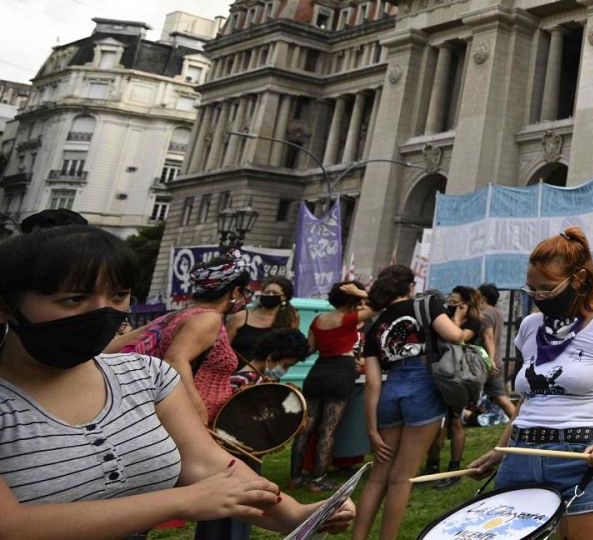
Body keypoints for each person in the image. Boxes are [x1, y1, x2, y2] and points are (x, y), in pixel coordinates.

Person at [0, 225, 353, 539]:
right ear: (8, 305)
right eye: (74, 299)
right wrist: (181, 501)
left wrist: (297, 514)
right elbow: (11, 525)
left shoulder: (144, 375)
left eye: (118, 296)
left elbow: (207, 463)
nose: (102, 312)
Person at [467, 228, 593, 540]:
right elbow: (531, 398)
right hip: (520, 456)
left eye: (547, 289)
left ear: (579, 279)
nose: (538, 298)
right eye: (532, 290)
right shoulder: (529, 327)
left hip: (582, 457)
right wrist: (502, 449)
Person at [350, 264, 469, 540]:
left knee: (378, 476)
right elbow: (454, 336)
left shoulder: (375, 325)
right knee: (402, 478)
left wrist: (371, 429)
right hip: (423, 388)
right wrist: (460, 322)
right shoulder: (427, 305)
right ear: (409, 287)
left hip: (391, 391)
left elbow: (372, 383)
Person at [201, 327, 312, 540]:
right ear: (272, 357)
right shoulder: (243, 380)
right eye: (286, 365)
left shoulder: (266, 382)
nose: (284, 371)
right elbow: (227, 422)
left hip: (249, 456)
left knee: (244, 511)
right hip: (232, 459)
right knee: (229, 513)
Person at [120, 250, 255, 423]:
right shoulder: (208, 318)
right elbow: (176, 360)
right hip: (186, 422)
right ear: (235, 292)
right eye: (244, 292)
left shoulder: (178, 315)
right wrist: (198, 412)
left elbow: (116, 346)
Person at [289, 279, 368, 492]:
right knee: (328, 429)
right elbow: (377, 307)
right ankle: (318, 479)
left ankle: (296, 477)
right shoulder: (349, 319)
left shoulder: (318, 320)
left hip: (318, 371)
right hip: (341, 372)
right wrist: (360, 292)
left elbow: (310, 348)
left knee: (306, 428)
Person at [424, 285, 487, 489]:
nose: (450, 305)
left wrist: (457, 319)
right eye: (449, 301)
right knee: (437, 423)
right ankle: (432, 465)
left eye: (455, 302)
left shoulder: (473, 322)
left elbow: (457, 338)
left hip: (458, 377)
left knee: (455, 421)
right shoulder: (443, 317)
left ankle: (455, 469)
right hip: (441, 374)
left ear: (465, 304)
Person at [227, 275, 298, 364]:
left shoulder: (291, 317)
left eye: (275, 293)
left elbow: (292, 349)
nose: (270, 295)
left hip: (267, 375)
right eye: (267, 292)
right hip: (238, 374)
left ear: (284, 297)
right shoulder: (240, 317)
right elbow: (224, 347)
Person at [475, 282, 518, 424]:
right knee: (501, 398)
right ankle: (520, 423)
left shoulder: (485, 315)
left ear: (483, 297)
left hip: (485, 363)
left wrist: (489, 361)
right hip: (496, 362)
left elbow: (489, 337)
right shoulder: (497, 313)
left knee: (465, 395)